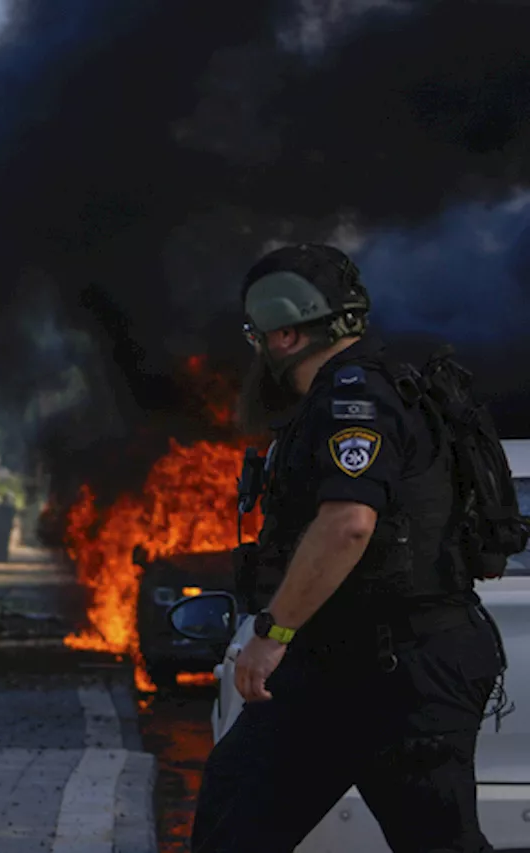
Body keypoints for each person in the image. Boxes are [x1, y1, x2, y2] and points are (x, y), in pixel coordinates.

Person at [192, 243, 508, 852]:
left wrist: (271, 635)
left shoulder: (353, 400)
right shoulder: (356, 393)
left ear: (284, 335)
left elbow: (348, 525)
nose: (255, 348)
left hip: (400, 672)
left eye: (256, 334)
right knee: (233, 821)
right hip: (336, 671)